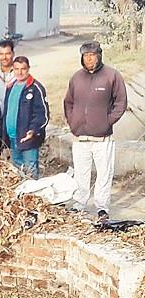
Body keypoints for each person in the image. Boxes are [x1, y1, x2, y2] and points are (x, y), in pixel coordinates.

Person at [64, 41, 127, 221]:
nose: (89, 58)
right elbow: (68, 102)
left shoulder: (112, 76)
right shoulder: (76, 78)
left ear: (99, 55)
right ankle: (80, 205)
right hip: (80, 136)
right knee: (81, 173)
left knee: (104, 173)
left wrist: (107, 121)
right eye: (85, 55)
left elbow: (121, 103)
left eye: (92, 55)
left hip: (102, 138)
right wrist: (73, 122)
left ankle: (102, 208)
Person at [2, 56, 48, 179]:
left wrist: (33, 131)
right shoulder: (10, 87)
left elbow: (42, 114)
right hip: (13, 137)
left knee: (30, 171)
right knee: (17, 171)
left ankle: (33, 196)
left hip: (28, 138)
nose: (20, 72)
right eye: (16, 69)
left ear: (28, 69)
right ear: (13, 69)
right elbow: (7, 111)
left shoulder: (35, 88)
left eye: (23, 69)